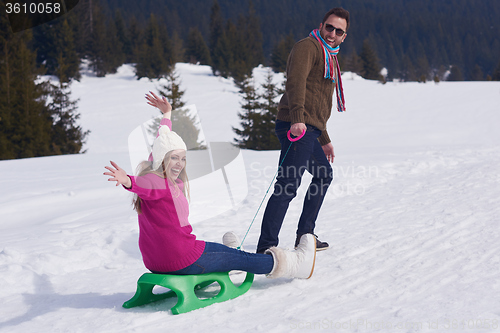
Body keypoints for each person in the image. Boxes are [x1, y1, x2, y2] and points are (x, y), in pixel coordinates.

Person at [103, 92, 316, 279]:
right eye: (174, 158)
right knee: (243, 258)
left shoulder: (155, 167)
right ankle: (295, 264)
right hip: (182, 258)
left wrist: (166, 114)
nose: (179, 164)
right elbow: (143, 184)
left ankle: (228, 259)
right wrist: (127, 180)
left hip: (155, 261)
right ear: (162, 160)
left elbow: (163, 139)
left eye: (183, 158)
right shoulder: (157, 181)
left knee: (227, 254)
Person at [256, 8, 350, 254]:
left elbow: (318, 103)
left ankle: (305, 236)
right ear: (321, 25)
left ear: (344, 37)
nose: (332, 34)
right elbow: (295, 83)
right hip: (295, 125)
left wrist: (324, 138)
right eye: (329, 27)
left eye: (338, 31)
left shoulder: (330, 57)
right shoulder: (308, 46)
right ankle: (266, 246)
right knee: (288, 184)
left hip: (310, 128)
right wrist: (297, 119)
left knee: (323, 175)